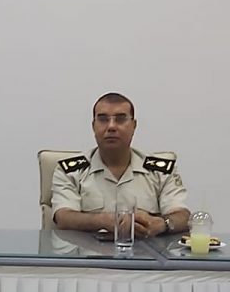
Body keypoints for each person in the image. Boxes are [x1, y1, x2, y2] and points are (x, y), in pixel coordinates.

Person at [50, 92, 189, 237]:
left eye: (120, 119)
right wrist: (103, 221)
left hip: (147, 250)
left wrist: (162, 223)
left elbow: (183, 216)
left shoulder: (161, 171)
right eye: (103, 119)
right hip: (86, 251)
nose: (111, 126)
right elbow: (63, 217)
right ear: (93, 126)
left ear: (134, 126)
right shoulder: (70, 171)